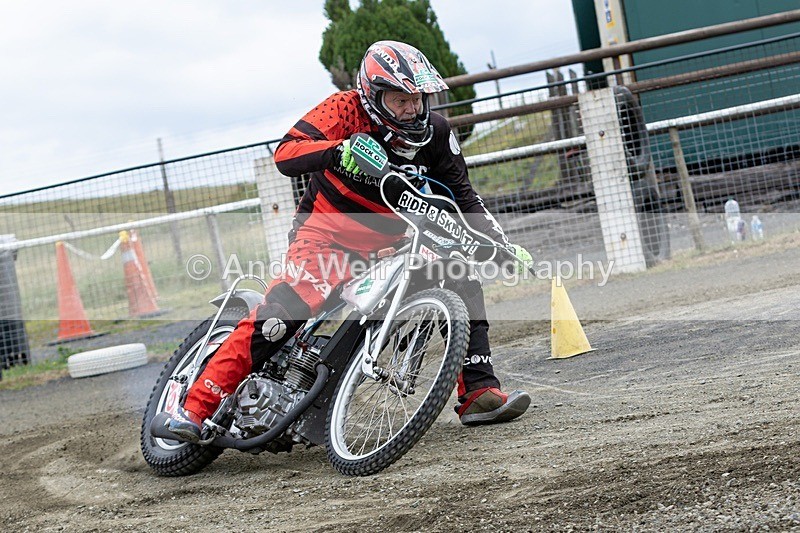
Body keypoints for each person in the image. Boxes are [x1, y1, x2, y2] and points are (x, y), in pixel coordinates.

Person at [166, 40, 533, 442]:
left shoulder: (438, 134)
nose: (413, 108)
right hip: (324, 235)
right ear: (373, 96)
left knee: (459, 272)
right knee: (283, 315)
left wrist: (499, 242)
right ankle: (193, 409)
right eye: (400, 99)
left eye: (418, 98)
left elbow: (463, 196)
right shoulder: (344, 109)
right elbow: (286, 153)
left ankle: (479, 390)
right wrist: (337, 151)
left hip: (392, 244)